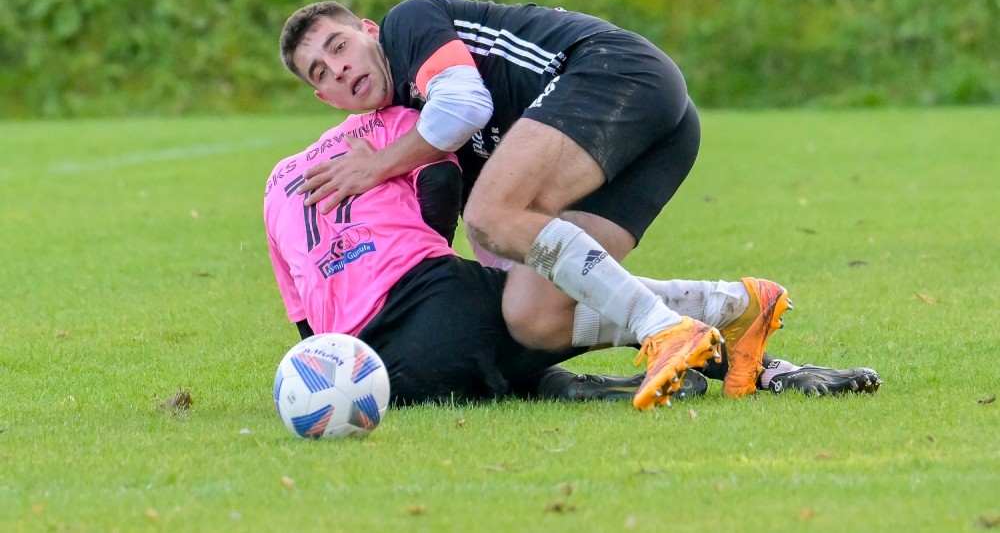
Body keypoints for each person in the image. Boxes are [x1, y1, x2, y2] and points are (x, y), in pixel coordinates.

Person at [278, 0, 781, 409]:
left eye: (340, 46)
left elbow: (464, 105)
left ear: (369, 31)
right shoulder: (419, 129)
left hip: (615, 73)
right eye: (320, 73)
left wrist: (377, 166)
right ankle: (735, 307)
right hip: (666, 137)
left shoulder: (407, 25)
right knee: (531, 314)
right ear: (326, 100)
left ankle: (664, 329)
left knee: (488, 215)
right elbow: (508, 242)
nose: (339, 69)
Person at [264, 106, 881, 406]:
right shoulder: (391, 122)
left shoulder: (275, 182)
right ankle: (746, 329)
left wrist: (333, 366)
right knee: (550, 311)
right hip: (433, 302)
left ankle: (582, 387)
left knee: (510, 361)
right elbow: (443, 182)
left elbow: (303, 318)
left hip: (380, 373)